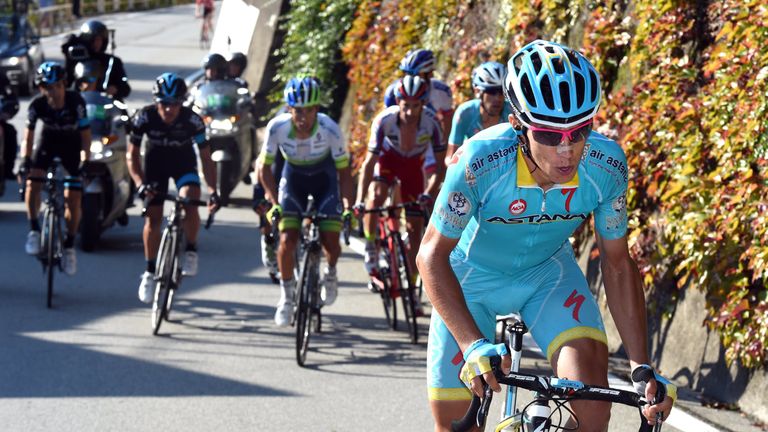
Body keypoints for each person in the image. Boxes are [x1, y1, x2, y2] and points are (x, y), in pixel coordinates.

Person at [416, 40, 676, 431]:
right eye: (550, 135)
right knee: (457, 423)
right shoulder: (478, 161)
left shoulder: (606, 165)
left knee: (591, 403)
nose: (567, 150)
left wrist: (641, 366)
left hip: (547, 276)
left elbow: (617, 263)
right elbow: (430, 256)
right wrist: (472, 345)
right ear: (519, 123)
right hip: (470, 280)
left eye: (580, 130)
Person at [256, 76, 354, 326]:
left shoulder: (329, 129)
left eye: (308, 110)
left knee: (331, 241)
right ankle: (286, 298)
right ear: (289, 109)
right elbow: (265, 169)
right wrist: (271, 200)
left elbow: (344, 172)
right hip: (294, 179)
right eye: (297, 110)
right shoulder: (276, 128)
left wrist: (347, 206)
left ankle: (330, 273)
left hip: (325, 179)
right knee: (287, 240)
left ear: (316, 109)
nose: (302, 116)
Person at [127, 73, 220, 303]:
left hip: (183, 164)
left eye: (175, 104)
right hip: (155, 165)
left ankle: (190, 248)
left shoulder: (193, 121)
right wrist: (140, 184)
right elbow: (131, 156)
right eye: (164, 103)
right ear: (156, 101)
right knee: (153, 217)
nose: (169, 109)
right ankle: (150, 272)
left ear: (182, 103)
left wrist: (213, 189)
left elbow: (206, 158)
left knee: (189, 199)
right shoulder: (144, 117)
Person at [355, 75, 445, 283]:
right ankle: (371, 246)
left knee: (415, 228)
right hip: (388, 161)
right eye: (406, 106)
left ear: (424, 104)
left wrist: (428, 193)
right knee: (376, 195)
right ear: (398, 103)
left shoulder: (433, 124)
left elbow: (440, 168)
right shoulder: (384, 120)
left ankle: (412, 281)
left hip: (413, 166)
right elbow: (369, 164)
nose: (410, 112)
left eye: (416, 106)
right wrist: (360, 200)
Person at [20, 62, 91, 275]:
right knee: (33, 181)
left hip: (71, 143)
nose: (54, 92)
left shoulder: (76, 102)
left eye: (58, 86)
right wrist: (25, 159)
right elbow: (29, 136)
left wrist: (85, 161)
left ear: (64, 85)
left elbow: (86, 137)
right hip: (48, 141)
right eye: (49, 88)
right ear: (42, 89)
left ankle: (69, 246)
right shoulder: (37, 105)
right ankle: (34, 229)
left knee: (73, 196)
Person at [383, 49, 453, 142]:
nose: (412, 80)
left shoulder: (442, 92)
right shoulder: (392, 93)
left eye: (417, 75)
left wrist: (443, 145)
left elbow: (447, 121)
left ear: (430, 74)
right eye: (407, 74)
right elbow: (386, 126)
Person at [446, 61, 511, 160]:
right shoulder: (465, 113)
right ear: (478, 92)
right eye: (491, 92)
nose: (498, 98)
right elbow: (450, 158)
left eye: (502, 91)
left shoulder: (512, 111)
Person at [62, 20, 131, 101]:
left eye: (99, 40)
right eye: (93, 40)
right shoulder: (77, 60)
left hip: (107, 106)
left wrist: (116, 89)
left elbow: (126, 88)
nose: (96, 43)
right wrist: (68, 56)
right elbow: (66, 83)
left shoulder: (112, 61)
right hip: (82, 105)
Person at [0, 72, 19, 179]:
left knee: (11, 132)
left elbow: (12, 99)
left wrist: (7, 112)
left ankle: (8, 169)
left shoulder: (2, 78)